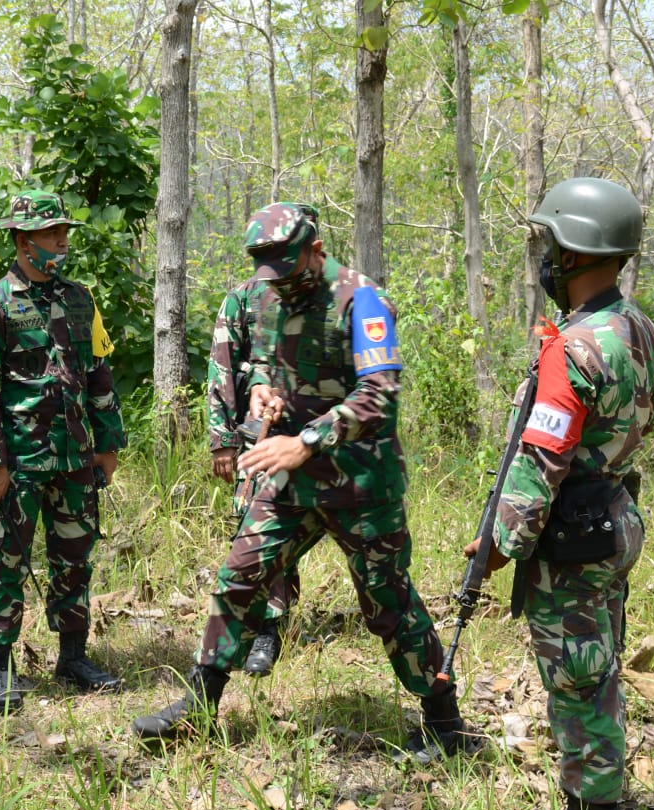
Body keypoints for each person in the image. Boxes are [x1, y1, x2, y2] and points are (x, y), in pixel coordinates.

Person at [133, 202, 483, 764]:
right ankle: (199, 708)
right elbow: (270, 366)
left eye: (289, 270)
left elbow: (378, 394)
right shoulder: (270, 297)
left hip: (361, 485)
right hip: (292, 483)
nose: (280, 284)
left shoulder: (360, 300)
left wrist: (306, 440)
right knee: (238, 578)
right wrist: (264, 393)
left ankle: (445, 724)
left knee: (388, 604)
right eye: (268, 271)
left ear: (315, 250)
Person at [463, 178, 654, 810]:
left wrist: (499, 545)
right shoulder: (637, 329)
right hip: (614, 518)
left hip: (573, 538)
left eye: (550, 243)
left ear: (576, 251)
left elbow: (540, 462)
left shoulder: (573, 349)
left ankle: (592, 803)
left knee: (577, 683)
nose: (545, 257)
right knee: (599, 669)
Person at [0, 188, 128, 714]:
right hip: (20, 460)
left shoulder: (80, 299)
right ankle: (0, 670)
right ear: (22, 240)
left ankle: (73, 657)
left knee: (75, 558)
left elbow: (99, 371)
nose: (61, 242)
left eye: (63, 233)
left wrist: (108, 442)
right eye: (51, 234)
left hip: (75, 457)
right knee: (6, 560)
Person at [205, 202, 322, 676]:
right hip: (259, 438)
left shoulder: (334, 298)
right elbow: (222, 366)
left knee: (290, 533)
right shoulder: (243, 298)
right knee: (254, 529)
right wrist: (221, 440)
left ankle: (270, 626)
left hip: (313, 439)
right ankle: (261, 630)